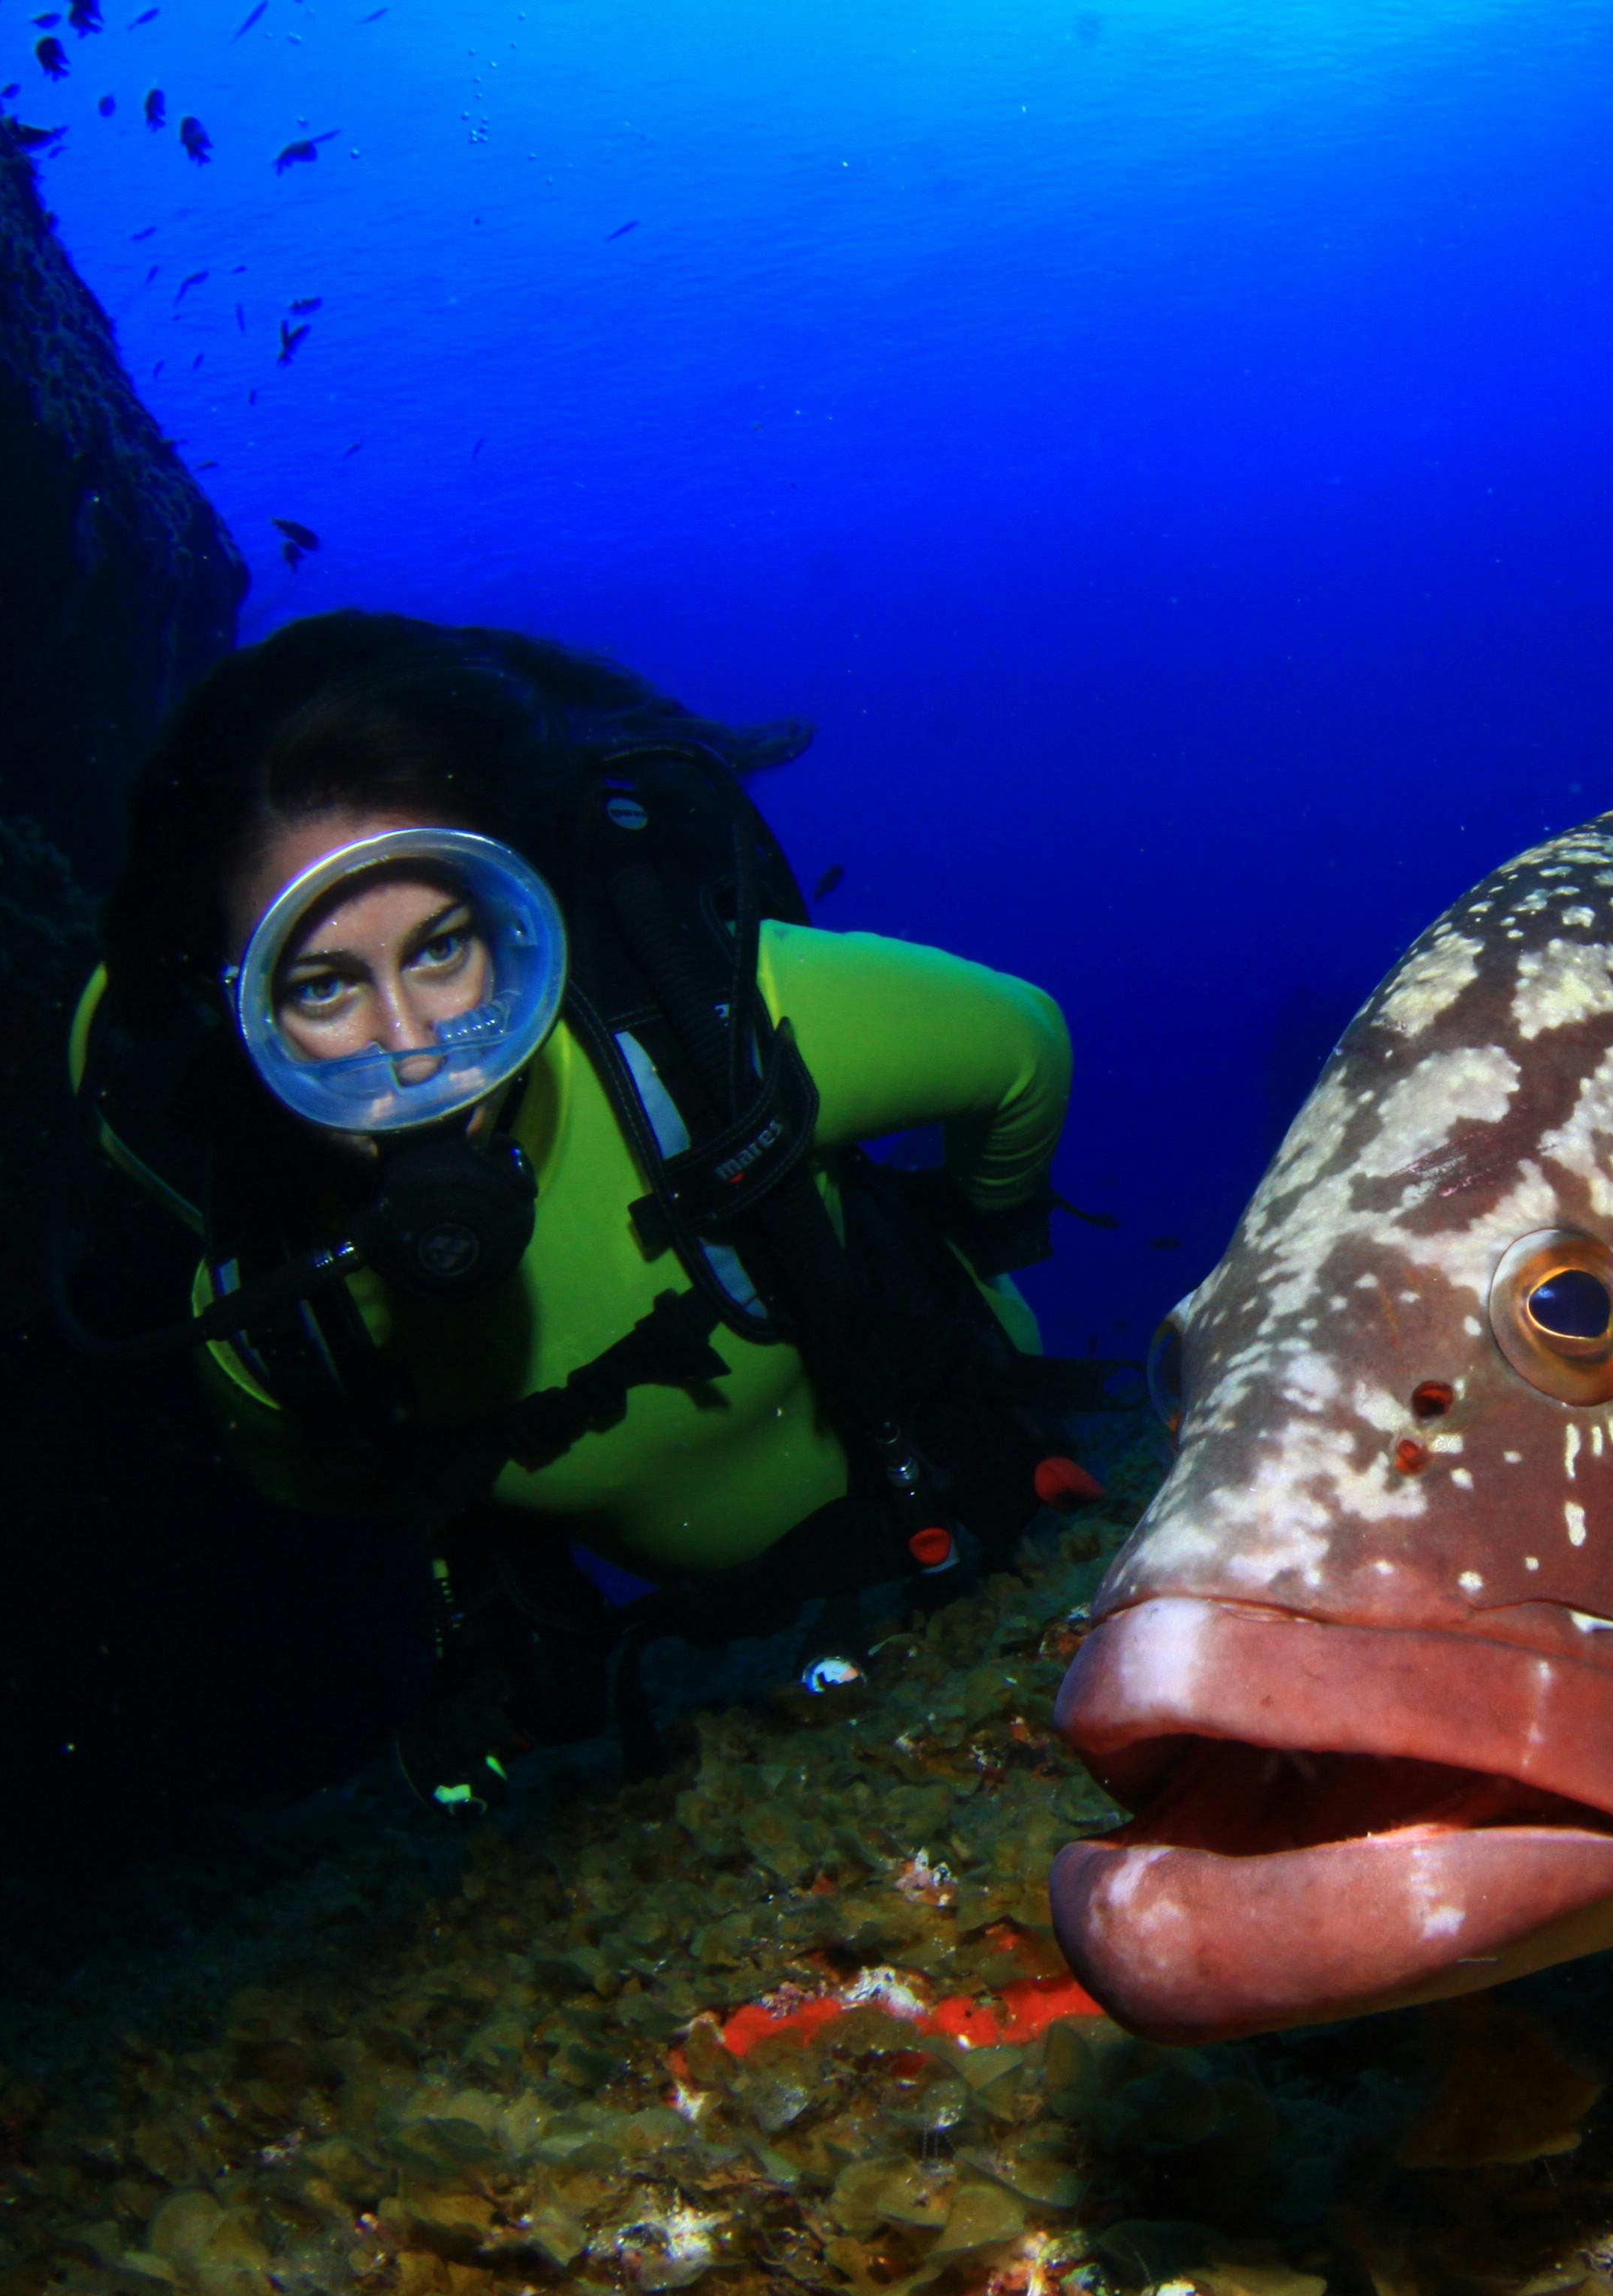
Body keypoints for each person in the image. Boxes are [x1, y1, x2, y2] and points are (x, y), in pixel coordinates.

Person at [65, 611, 1105, 1810]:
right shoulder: (266, 1325)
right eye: (320, 986)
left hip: (968, 1492)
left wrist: (985, 1233)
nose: (413, 1057)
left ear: (517, 924)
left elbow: (1019, 1044)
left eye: (443, 949)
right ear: (229, 1010)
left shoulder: (713, 1032)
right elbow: (331, 1483)